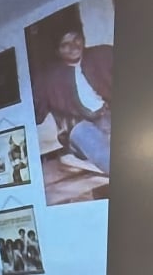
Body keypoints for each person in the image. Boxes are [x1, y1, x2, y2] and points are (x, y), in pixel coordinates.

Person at [33, 30, 112, 174]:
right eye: (65, 44)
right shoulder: (48, 78)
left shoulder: (102, 54)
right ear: (57, 50)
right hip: (81, 127)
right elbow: (36, 114)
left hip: (109, 114)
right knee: (84, 134)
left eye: (76, 39)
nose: (73, 46)